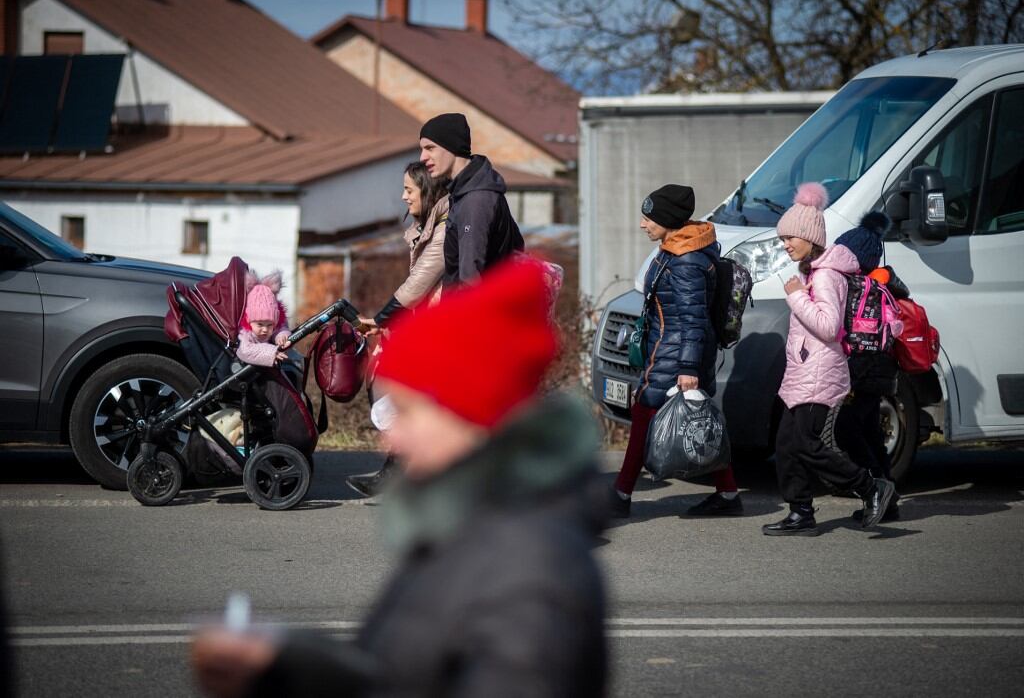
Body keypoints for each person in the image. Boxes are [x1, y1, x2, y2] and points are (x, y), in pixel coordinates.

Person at [191, 259, 608, 698]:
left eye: (405, 412)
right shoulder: (462, 526)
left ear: (466, 414)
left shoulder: (530, 577)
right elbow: (394, 673)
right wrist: (281, 666)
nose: (391, 439)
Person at [762, 183, 896, 537]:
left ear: (810, 238)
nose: (785, 244)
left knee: (806, 444)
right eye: (783, 238)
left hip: (820, 372)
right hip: (803, 371)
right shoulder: (812, 271)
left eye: (791, 237)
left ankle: (871, 487)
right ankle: (800, 512)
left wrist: (795, 298)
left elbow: (828, 326)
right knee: (787, 444)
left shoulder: (826, 276)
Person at [609, 184, 742, 519]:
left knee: (646, 413)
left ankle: (621, 494)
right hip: (670, 350)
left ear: (668, 220)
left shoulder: (686, 261)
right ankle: (727, 494)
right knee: (697, 421)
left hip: (675, 354)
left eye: (649, 218)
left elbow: (692, 319)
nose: (643, 224)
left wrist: (687, 368)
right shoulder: (677, 249)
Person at [348, 162, 450, 497]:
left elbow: (418, 284)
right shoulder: (430, 226)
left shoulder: (444, 229)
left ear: (427, 190)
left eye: (409, 189)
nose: (404, 197)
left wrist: (383, 319)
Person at [833, 211, 902, 523]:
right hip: (882, 368)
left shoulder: (857, 288)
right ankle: (890, 502)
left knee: (846, 429)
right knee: (871, 432)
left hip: (863, 370)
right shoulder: (882, 284)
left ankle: (877, 489)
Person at [417, 112, 524, 287]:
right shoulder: (466, 192)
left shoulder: (475, 200)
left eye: (430, 148)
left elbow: (470, 280)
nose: (422, 157)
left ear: (451, 146)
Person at [235, 271, 290, 367]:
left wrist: (282, 337)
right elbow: (244, 350)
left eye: (270, 325)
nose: (265, 329)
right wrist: (272, 352)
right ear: (249, 320)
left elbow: (280, 329)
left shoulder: (272, 328)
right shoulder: (246, 333)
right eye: (260, 324)